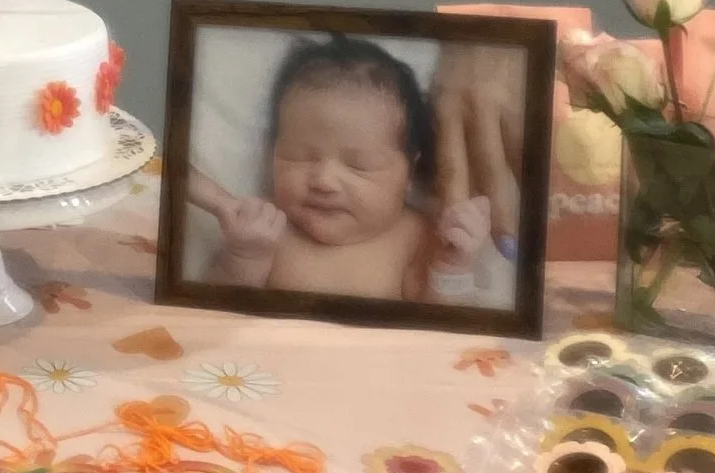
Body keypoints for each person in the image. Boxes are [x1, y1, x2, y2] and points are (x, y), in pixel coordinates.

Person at [190, 36, 499, 303]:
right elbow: (213, 315)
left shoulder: (416, 236)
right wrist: (242, 257)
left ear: (409, 172)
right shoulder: (266, 229)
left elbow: (441, 328)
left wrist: (454, 266)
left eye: (358, 165)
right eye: (300, 157)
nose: (324, 181)